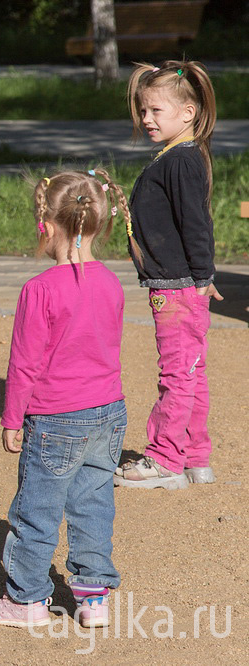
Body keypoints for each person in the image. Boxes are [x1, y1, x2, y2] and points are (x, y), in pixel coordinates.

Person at [0, 169, 131, 630]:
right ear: (99, 224)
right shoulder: (112, 283)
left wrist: (11, 418)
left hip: (56, 419)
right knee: (93, 504)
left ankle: (26, 601)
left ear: (45, 224)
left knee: (37, 510)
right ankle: (93, 597)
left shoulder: (39, 290)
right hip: (109, 412)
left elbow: (24, 364)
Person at [114, 60, 221, 490]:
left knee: (177, 374)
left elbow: (196, 225)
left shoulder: (180, 161)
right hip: (181, 285)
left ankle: (165, 460)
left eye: (156, 111)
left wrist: (202, 275)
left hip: (178, 289)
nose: (147, 119)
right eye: (143, 111)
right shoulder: (181, 156)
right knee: (191, 371)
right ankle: (196, 458)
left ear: (188, 112)